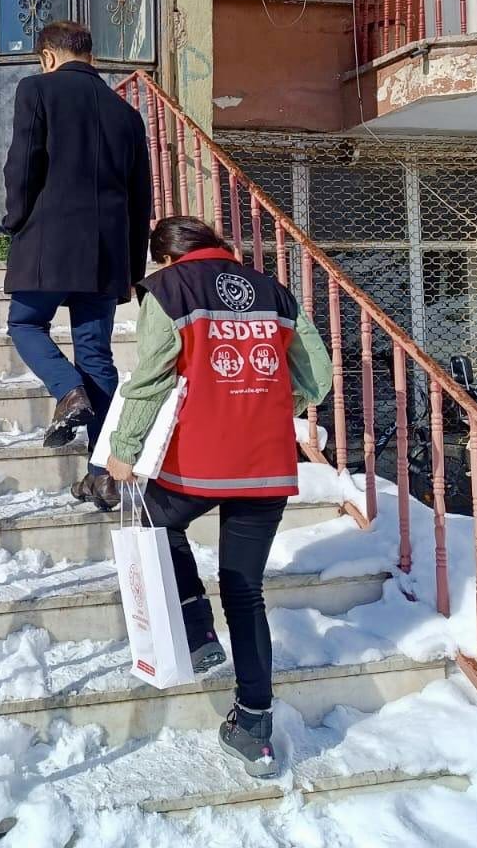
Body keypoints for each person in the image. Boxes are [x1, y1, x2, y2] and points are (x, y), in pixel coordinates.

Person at [106, 214, 331, 778]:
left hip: (200, 461)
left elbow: (152, 377)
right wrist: (270, 405)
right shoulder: (274, 291)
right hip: (267, 463)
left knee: (156, 521)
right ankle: (254, 727)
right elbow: (318, 377)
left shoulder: (168, 289)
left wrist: (124, 449)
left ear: (165, 258)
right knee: (245, 592)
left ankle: (196, 627)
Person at [3, 20, 153, 512]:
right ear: (90, 56)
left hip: (49, 241)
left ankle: (68, 392)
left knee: (26, 324)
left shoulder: (37, 90)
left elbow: (23, 163)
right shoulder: (127, 114)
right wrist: (132, 267)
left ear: (47, 56)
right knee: (96, 356)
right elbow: (141, 198)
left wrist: (16, 218)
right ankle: (103, 474)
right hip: (107, 254)